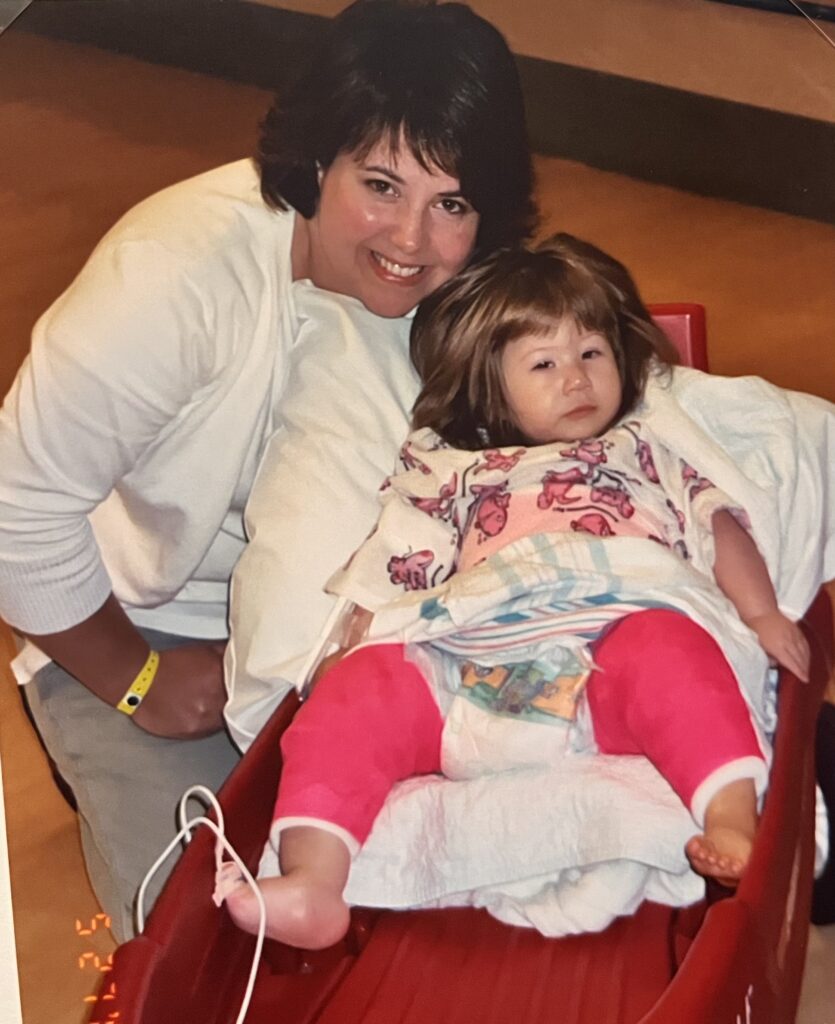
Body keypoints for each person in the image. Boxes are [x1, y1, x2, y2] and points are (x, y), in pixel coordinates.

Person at [0, 0, 536, 941]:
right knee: (206, 940)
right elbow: (13, 511)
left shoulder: (470, 288)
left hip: (361, 627)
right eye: (379, 184)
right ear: (318, 159)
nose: (410, 241)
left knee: (440, 900)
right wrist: (136, 678)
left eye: (450, 202)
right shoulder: (173, 276)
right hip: (134, 629)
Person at [218, 234, 810, 950]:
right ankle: (315, 878)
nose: (576, 379)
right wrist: (349, 646)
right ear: (490, 387)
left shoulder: (641, 447)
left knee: (676, 655)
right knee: (355, 699)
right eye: (543, 363)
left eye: (591, 354)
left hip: (612, 639)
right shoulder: (455, 471)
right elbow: (397, 559)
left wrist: (758, 613)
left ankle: (728, 822)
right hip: (475, 665)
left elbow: (715, 525)